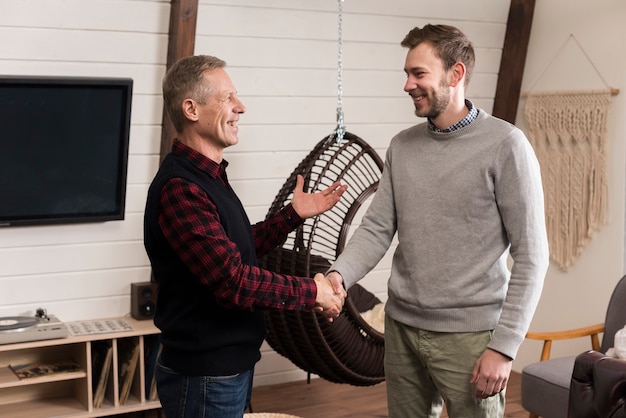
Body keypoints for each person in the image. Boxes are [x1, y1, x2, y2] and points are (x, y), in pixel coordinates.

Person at [326, 24, 549, 417]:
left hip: (471, 337)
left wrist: (504, 345)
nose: (408, 84)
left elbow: (532, 255)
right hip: (400, 329)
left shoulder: (506, 145)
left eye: (419, 73)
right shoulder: (402, 146)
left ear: (456, 74)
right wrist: (338, 275)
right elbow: (377, 228)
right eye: (407, 74)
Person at [143, 54, 348, 418]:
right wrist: (313, 292)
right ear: (191, 108)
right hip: (206, 374)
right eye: (227, 98)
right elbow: (233, 281)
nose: (241, 107)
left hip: (225, 368)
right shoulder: (181, 188)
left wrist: (292, 216)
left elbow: (231, 253)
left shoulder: (207, 177)